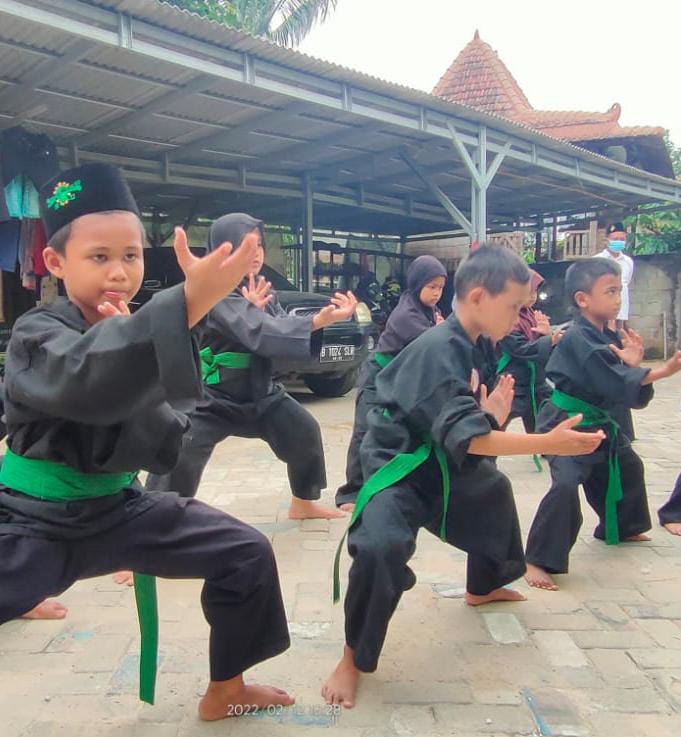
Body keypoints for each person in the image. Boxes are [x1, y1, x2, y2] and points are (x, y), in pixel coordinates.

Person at [0, 163, 294, 720]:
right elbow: (85, 381)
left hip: (120, 509)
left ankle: (227, 688)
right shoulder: (36, 334)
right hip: (34, 520)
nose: (119, 272)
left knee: (246, 553)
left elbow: (166, 433)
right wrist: (185, 304)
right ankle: (29, 594)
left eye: (131, 256)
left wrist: (141, 343)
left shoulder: (134, 326)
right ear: (55, 263)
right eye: (99, 257)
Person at [323, 245, 606, 709]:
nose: (518, 317)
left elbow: (464, 419)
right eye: (513, 306)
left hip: (438, 455)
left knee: (493, 490)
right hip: (398, 466)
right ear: (478, 297)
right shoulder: (440, 346)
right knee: (381, 547)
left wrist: (489, 412)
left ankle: (484, 585)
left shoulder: (480, 342)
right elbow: (471, 439)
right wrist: (548, 441)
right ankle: (353, 657)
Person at [146, 213, 356, 520]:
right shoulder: (213, 289)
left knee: (304, 431)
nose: (255, 253)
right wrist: (314, 321)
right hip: (213, 398)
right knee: (180, 450)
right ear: (224, 249)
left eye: (259, 245)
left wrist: (311, 320)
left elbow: (278, 327)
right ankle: (154, 522)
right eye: (246, 245)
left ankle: (303, 504)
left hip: (261, 392)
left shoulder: (261, 289)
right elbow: (257, 330)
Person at [524, 258, 681, 592]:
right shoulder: (576, 336)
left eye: (619, 291)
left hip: (599, 422)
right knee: (567, 483)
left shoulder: (606, 334)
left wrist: (633, 366)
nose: (617, 298)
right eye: (610, 291)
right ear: (583, 299)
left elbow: (618, 383)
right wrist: (659, 372)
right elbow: (611, 375)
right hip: (568, 422)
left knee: (627, 465)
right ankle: (538, 558)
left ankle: (623, 526)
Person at [335, 255, 446, 509]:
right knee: (364, 430)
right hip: (378, 375)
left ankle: (391, 482)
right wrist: (441, 330)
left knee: (395, 429)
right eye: (431, 286)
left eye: (440, 288)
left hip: (399, 378)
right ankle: (351, 493)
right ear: (417, 284)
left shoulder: (430, 311)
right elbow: (433, 343)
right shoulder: (407, 314)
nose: (436, 293)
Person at [497, 269, 562, 436]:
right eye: (529, 292)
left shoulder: (531, 314)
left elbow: (541, 348)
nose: (533, 296)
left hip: (535, 382)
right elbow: (519, 348)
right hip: (513, 382)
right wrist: (548, 340)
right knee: (495, 424)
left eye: (535, 292)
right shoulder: (505, 316)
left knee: (547, 422)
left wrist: (546, 334)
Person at [596, 223, 634, 331]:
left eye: (622, 239)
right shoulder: (597, 260)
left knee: (620, 332)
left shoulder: (628, 262)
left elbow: (626, 282)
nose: (619, 242)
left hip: (621, 307)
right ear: (606, 240)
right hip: (603, 306)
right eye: (615, 239)